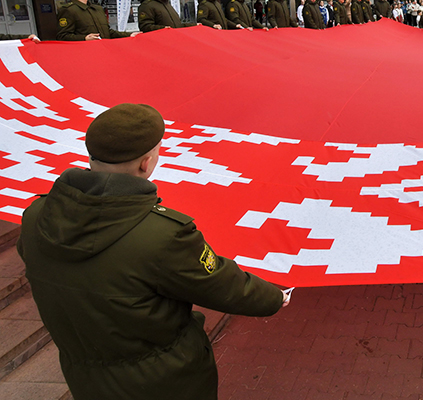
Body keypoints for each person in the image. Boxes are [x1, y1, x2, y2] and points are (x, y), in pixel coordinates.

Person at [17, 103, 288, 400]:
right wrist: (275, 298)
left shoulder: (36, 216)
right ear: (146, 162)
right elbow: (224, 286)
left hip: (86, 376)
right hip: (165, 381)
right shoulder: (163, 235)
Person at [56, 0, 138, 41]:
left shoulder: (97, 9)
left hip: (105, 50)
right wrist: (84, 38)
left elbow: (107, 32)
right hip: (86, 54)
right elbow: (62, 36)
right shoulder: (69, 10)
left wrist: (130, 34)